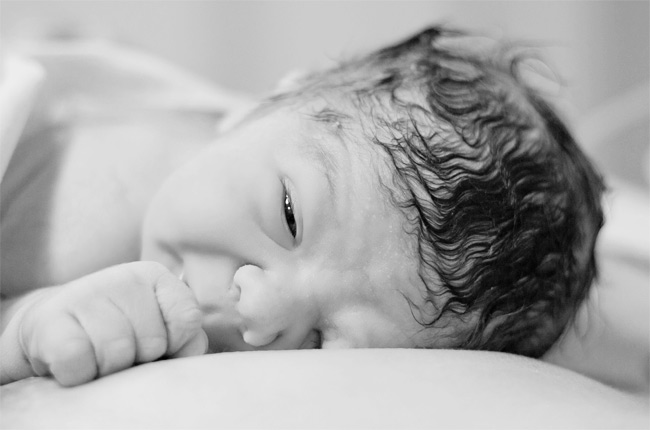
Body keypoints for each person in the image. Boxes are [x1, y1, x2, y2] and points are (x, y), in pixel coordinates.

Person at [0, 25, 604, 387]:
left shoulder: (285, 151)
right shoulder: (83, 202)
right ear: (278, 95)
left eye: (320, 341)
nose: (260, 312)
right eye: (288, 215)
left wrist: (34, 328)